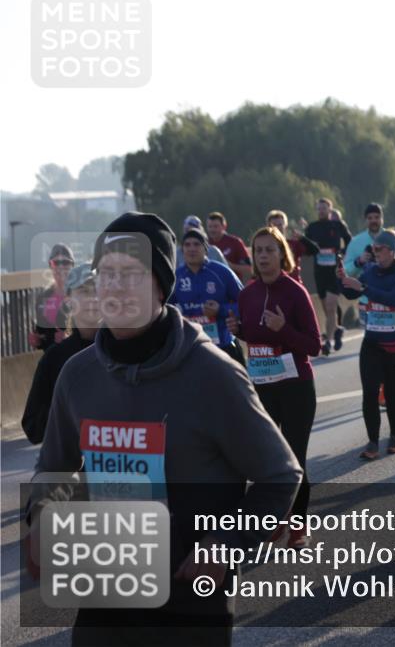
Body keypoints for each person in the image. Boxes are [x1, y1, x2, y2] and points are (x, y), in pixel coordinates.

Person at [28, 212, 301, 645]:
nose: (115, 287)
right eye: (106, 274)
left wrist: (224, 545)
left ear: (160, 286)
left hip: (189, 603)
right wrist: (41, 516)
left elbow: (280, 476)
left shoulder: (214, 374)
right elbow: (52, 469)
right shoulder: (77, 376)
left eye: (131, 274)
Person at [227, 226, 321, 548]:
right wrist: (239, 330)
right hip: (263, 386)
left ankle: (298, 525)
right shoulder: (247, 294)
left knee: (294, 458)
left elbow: (314, 345)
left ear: (282, 254)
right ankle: (276, 520)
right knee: (268, 458)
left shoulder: (295, 292)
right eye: (259, 250)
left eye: (270, 250)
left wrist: (284, 329)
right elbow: (255, 337)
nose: (264, 256)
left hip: (296, 387)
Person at [339, 230, 395, 459]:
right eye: (373, 249)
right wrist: (343, 280)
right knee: (370, 394)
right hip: (372, 343)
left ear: (391, 251)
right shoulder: (370, 271)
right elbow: (350, 293)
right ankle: (372, 443)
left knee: (391, 394)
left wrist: (364, 289)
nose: (375, 253)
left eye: (379, 249)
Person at [21, 265, 100, 444]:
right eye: (84, 291)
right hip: (73, 460)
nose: (93, 298)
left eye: (97, 290)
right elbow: (33, 426)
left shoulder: (125, 350)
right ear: (68, 300)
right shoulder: (55, 358)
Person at [168, 226, 245, 365]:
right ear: (182, 250)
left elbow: (245, 304)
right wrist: (177, 315)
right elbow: (165, 309)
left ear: (206, 249)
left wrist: (220, 310)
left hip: (224, 347)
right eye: (187, 245)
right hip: (190, 349)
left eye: (196, 244)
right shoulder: (176, 277)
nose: (192, 249)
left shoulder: (222, 272)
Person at [344, 203, 395, 328]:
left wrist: (391, 265)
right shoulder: (356, 242)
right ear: (365, 220)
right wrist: (359, 262)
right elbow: (346, 270)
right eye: (370, 218)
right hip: (366, 299)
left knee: (393, 333)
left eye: (377, 217)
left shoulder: (392, 237)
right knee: (371, 333)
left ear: (382, 218)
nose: (373, 221)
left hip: (391, 296)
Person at [304, 198, 352, 354]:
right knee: (327, 308)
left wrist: (342, 253)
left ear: (330, 210)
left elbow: (349, 241)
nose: (321, 211)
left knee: (331, 306)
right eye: (319, 209)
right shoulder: (312, 227)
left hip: (335, 271)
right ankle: (337, 329)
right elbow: (307, 248)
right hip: (319, 272)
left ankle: (328, 343)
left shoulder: (337, 225)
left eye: (324, 208)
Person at [30, 243, 74, 351]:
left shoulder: (80, 295)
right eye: (56, 263)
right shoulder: (42, 298)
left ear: (72, 266)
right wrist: (37, 341)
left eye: (65, 262)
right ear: (50, 266)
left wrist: (69, 339)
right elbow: (42, 335)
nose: (61, 267)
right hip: (50, 357)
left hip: (75, 356)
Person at [267, 209, 319, 285]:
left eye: (280, 225)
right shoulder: (264, 246)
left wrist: (302, 238)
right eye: (274, 225)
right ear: (269, 226)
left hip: (293, 284)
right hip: (273, 284)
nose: (277, 228)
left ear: (285, 225)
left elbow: (315, 250)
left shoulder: (293, 244)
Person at [206, 212, 252, 282]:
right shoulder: (204, 244)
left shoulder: (235, 242)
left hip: (232, 283)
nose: (212, 230)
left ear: (224, 226)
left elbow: (248, 269)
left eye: (215, 226)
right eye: (210, 226)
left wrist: (229, 265)